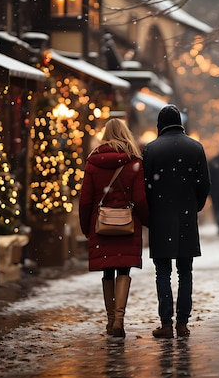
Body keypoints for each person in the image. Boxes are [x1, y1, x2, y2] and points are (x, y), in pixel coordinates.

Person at [143, 105, 211, 339]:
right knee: (185, 271)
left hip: (160, 218)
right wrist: (194, 207)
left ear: (160, 125)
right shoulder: (195, 147)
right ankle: (182, 323)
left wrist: (152, 211)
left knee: (163, 272)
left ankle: (165, 324)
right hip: (185, 218)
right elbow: (204, 185)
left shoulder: (151, 149)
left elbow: (145, 187)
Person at [78, 118, 149, 339]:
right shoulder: (134, 162)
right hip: (127, 225)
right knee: (123, 269)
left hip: (101, 225)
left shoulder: (92, 162)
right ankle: (119, 319)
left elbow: (85, 201)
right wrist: (147, 220)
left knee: (108, 269)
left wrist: (85, 227)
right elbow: (139, 198)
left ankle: (110, 321)